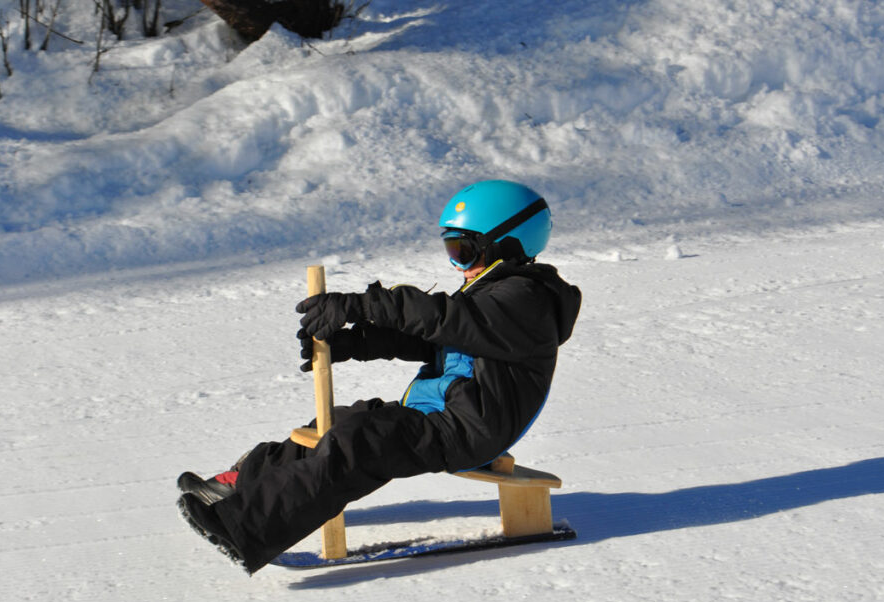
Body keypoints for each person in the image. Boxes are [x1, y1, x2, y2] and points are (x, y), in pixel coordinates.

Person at [177, 179, 582, 573]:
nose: (457, 264)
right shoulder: (493, 293)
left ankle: (243, 528)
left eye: (464, 250)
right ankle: (236, 484)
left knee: (361, 445)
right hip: (440, 413)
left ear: (509, 243)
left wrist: (361, 304)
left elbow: (442, 318)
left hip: (472, 429)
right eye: (451, 249)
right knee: (342, 421)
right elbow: (431, 339)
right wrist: (356, 344)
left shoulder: (527, 302)